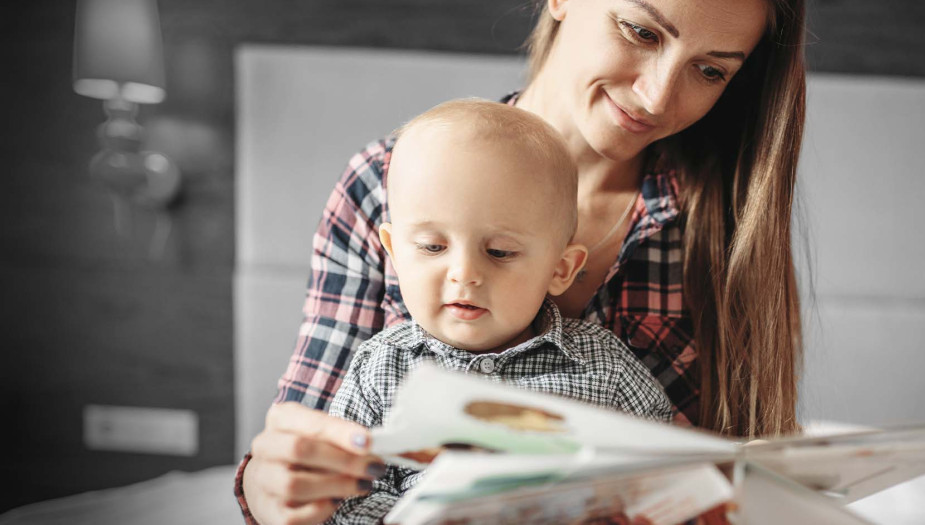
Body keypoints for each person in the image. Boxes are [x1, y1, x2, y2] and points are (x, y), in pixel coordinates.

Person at [238, 1, 808, 523]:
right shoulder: (384, 184)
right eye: (640, 31)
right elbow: (303, 452)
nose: (656, 97)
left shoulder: (724, 228)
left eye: (710, 70)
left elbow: (711, 486)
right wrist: (274, 486)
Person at [324, 99, 674, 524]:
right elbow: (341, 497)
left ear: (560, 270)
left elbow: (668, 475)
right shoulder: (380, 369)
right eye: (433, 247)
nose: (465, 274)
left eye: (500, 252)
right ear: (395, 253)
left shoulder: (605, 367)